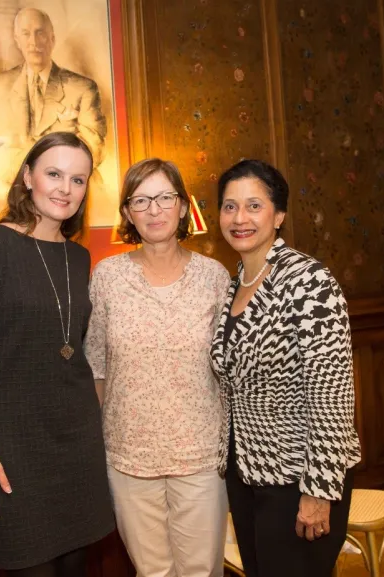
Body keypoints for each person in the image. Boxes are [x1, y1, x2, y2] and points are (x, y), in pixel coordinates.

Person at [0, 132, 114, 577]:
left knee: (77, 566)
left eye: (78, 180)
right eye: (54, 174)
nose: (65, 188)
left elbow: (79, 352)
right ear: (28, 177)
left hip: (76, 446)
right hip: (10, 448)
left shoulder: (79, 259)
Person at [210, 160, 361, 577]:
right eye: (229, 206)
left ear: (278, 215)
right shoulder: (234, 283)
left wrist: (319, 490)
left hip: (297, 479)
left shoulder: (309, 280)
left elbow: (333, 395)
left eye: (254, 206)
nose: (240, 218)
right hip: (245, 475)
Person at [84, 158, 230, 577]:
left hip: (199, 455)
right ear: (128, 213)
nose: (154, 210)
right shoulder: (107, 277)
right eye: (141, 200)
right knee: (152, 573)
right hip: (129, 458)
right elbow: (96, 366)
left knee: (202, 571)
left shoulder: (214, 277)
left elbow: (228, 369)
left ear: (183, 207)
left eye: (165, 197)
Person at [0, 7, 107, 194]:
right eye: (26, 34)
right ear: (17, 40)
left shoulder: (82, 88)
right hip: (11, 195)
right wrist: (29, 176)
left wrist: (52, 179)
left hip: (66, 196)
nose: (33, 42)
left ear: (52, 38)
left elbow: (94, 146)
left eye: (40, 33)